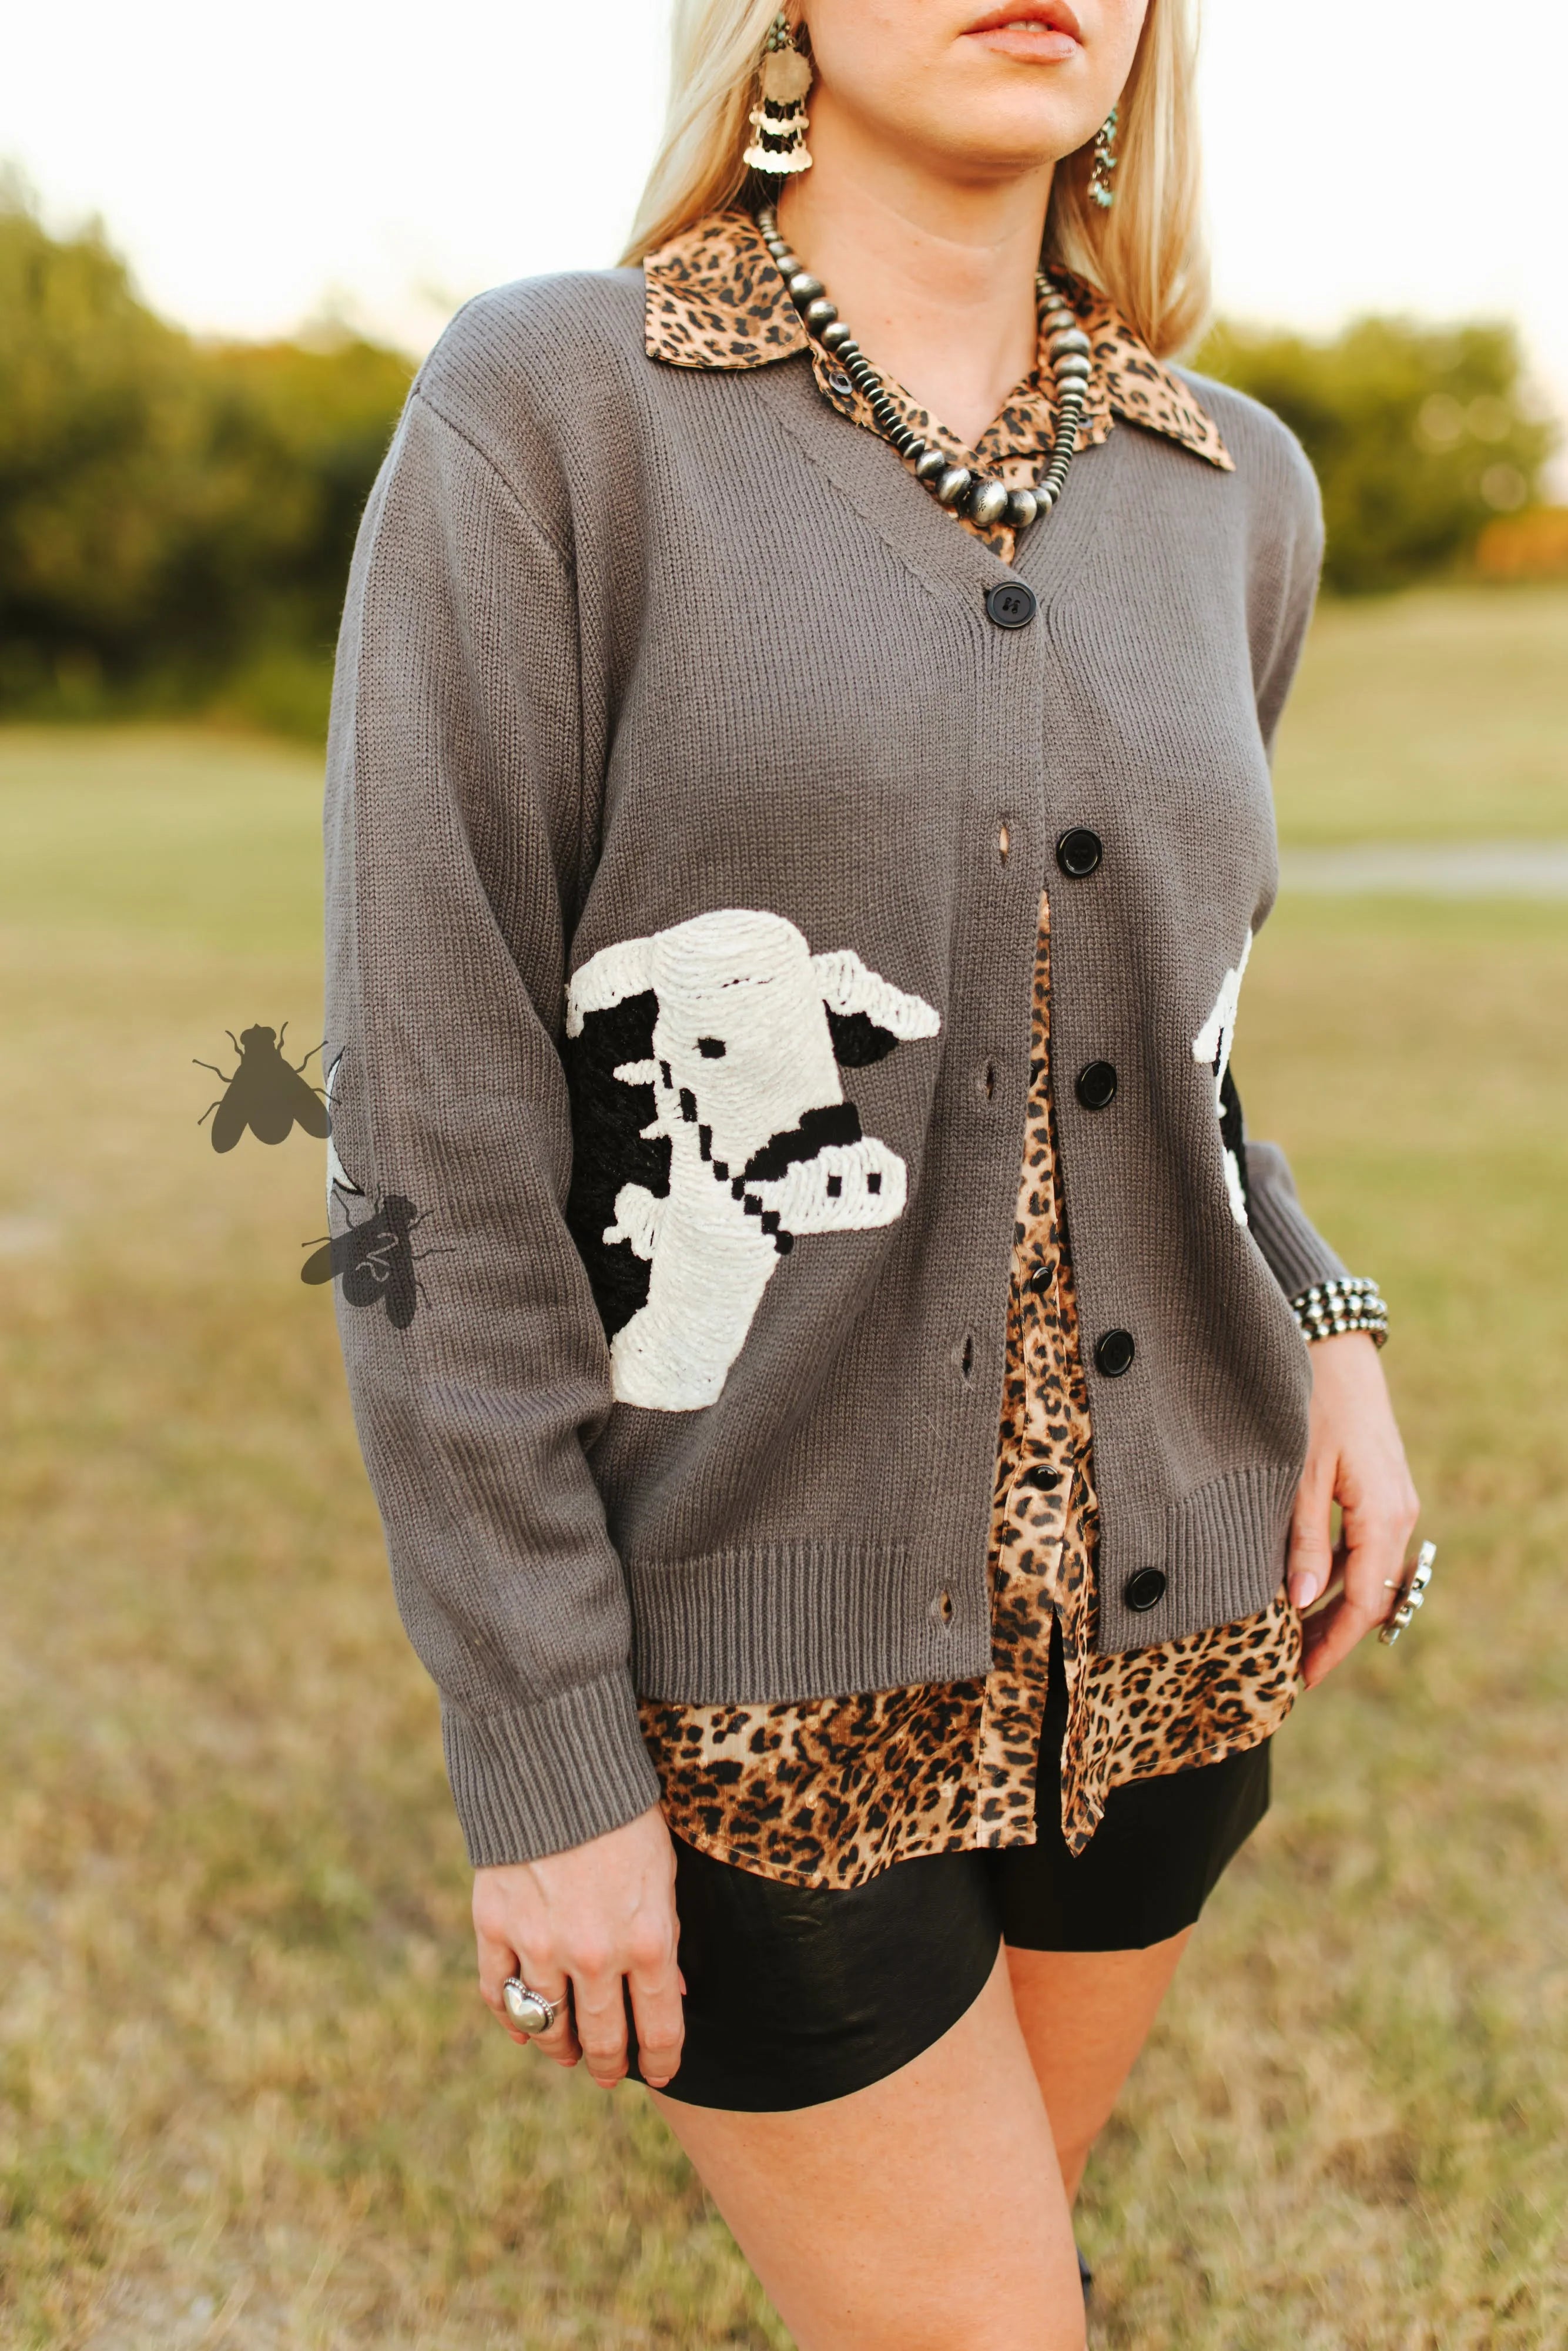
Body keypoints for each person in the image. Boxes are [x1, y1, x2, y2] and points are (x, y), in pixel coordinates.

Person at [322, 2, 1425, 2342]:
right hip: (752, 1677)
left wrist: (1326, 1317)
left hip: (1171, 1650)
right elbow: (429, 1131)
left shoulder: (1233, 485)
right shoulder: (557, 410)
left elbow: (1166, 1041)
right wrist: (538, 1749)